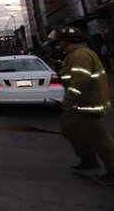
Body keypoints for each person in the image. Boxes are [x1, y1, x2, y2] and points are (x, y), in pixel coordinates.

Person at [48, 26, 114, 185]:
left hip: (89, 105)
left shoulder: (80, 55)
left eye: (60, 42)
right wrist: (58, 62)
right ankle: (88, 160)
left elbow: (80, 80)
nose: (58, 45)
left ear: (68, 41)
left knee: (101, 139)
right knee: (70, 129)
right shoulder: (73, 55)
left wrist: (69, 99)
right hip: (79, 105)